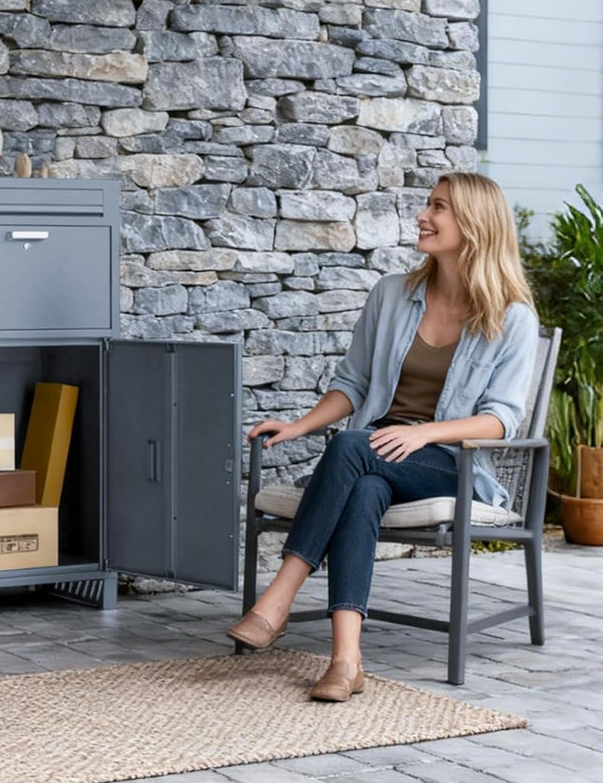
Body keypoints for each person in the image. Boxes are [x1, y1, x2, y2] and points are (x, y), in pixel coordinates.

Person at [227, 172, 537, 701]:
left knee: (352, 445)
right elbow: (353, 384)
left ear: (475, 225)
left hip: (449, 465)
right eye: (427, 205)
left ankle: (279, 598)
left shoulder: (512, 318)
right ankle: (346, 661)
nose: (423, 215)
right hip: (374, 456)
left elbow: (502, 420)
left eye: (437, 207)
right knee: (364, 483)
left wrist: (425, 435)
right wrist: (299, 425)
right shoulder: (393, 295)